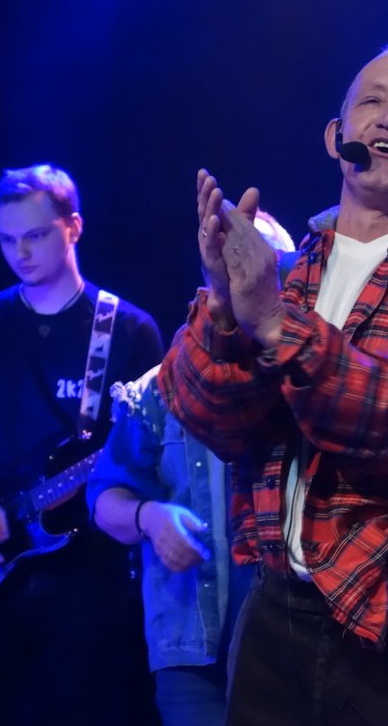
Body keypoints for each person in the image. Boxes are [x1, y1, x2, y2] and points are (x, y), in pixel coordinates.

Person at [161, 43, 388, 726]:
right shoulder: (287, 273)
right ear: (338, 138)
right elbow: (207, 418)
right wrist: (223, 305)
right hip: (277, 613)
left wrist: (275, 324)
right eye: (373, 101)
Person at [0, 164, 163, 725]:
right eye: (7, 240)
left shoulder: (128, 330)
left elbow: (152, 451)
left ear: (74, 227)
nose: (19, 252)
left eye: (35, 235)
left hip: (85, 579)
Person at [88, 212, 295, 726]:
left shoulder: (314, 375)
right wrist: (151, 517)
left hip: (295, 648)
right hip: (194, 655)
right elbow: (104, 495)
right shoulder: (159, 388)